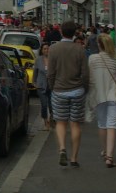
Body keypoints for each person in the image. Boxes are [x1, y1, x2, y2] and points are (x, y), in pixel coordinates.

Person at [47, 21, 89, 168]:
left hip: (59, 90)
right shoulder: (80, 50)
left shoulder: (53, 49)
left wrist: (52, 87)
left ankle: (62, 148)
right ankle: (74, 158)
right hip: (77, 90)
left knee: (60, 122)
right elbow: (85, 74)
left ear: (61, 32)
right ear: (75, 33)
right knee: (75, 124)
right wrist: (85, 89)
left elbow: (50, 73)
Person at [88, 34, 116, 168]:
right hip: (113, 94)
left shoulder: (92, 58)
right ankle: (110, 157)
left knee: (102, 124)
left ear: (99, 45)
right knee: (112, 125)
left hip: (99, 95)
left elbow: (90, 77)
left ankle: (104, 151)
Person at [33, 43, 53, 131]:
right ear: (41, 50)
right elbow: (35, 72)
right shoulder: (38, 60)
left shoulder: (53, 60)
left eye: (47, 48)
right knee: (44, 104)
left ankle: (52, 120)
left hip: (51, 86)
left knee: (52, 105)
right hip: (41, 85)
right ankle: (45, 122)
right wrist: (34, 82)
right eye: (44, 49)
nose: (46, 50)